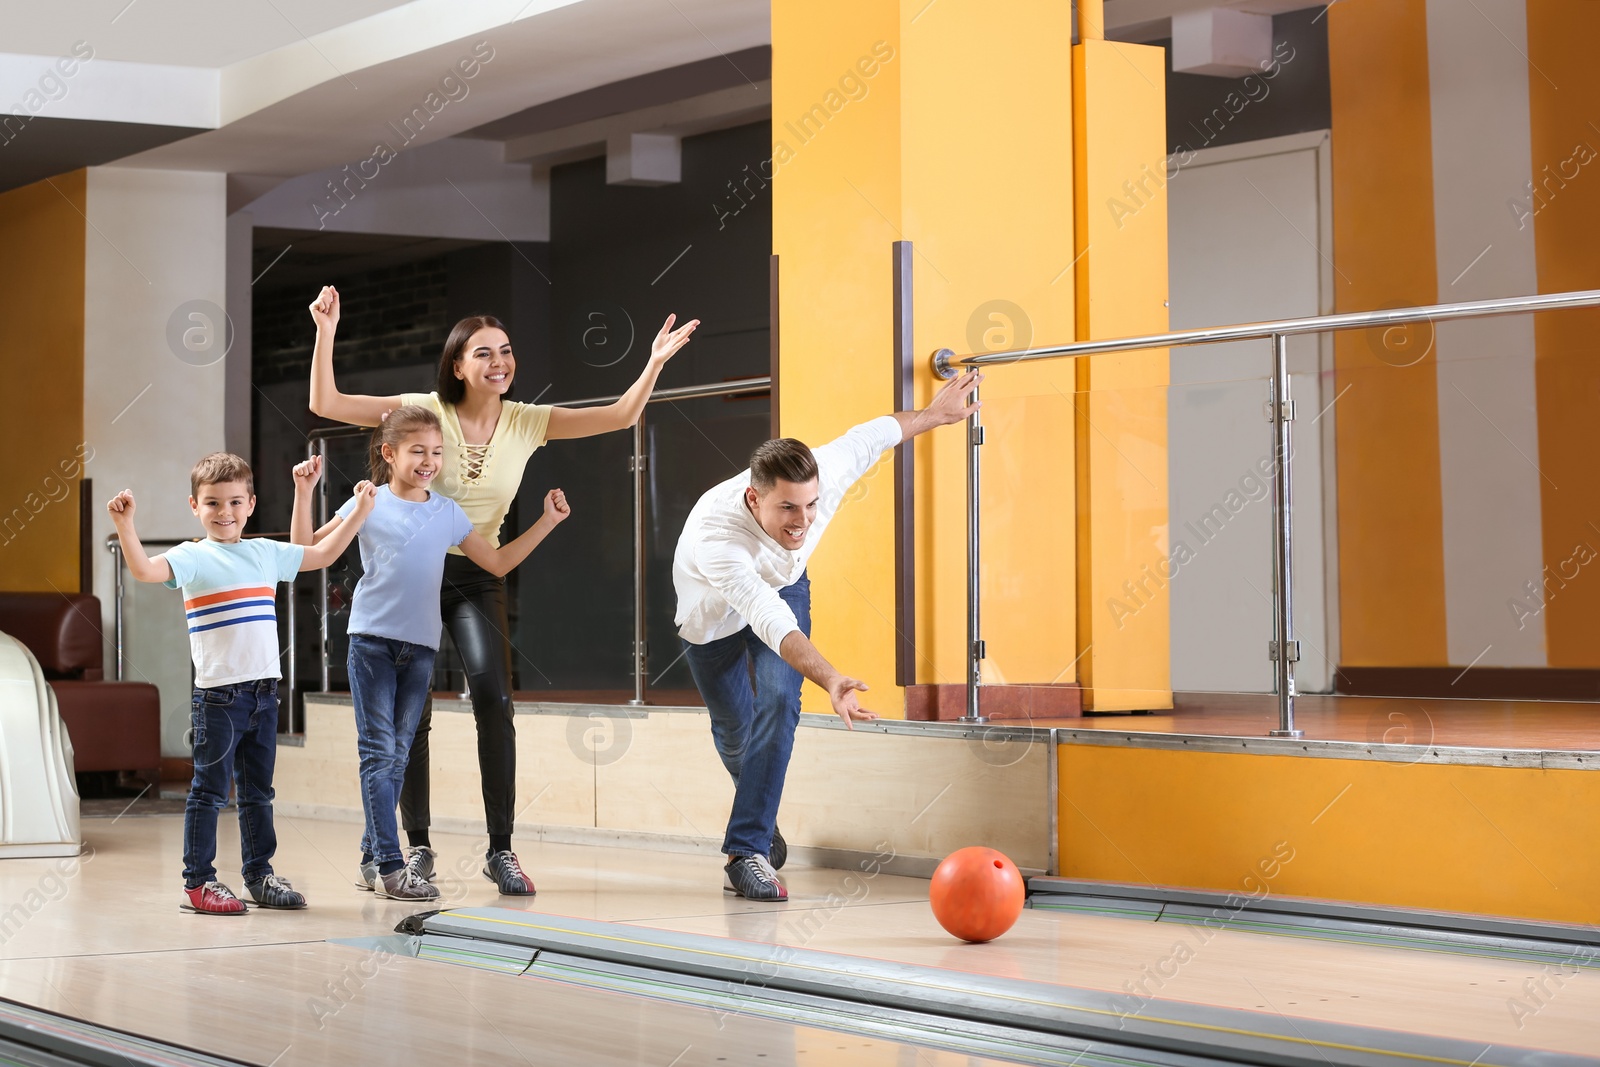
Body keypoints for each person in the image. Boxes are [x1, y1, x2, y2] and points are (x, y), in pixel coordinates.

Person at [306, 285, 697, 894]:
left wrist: (653, 363)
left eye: (506, 351)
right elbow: (327, 402)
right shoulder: (422, 409)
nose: (499, 363)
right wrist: (326, 331)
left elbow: (620, 416)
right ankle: (417, 848)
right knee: (414, 723)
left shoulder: (528, 421)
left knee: (494, 698)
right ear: (457, 365)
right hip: (412, 572)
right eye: (483, 353)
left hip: (476, 572)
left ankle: (500, 849)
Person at [674, 370, 983, 901]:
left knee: (780, 703)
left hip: (784, 590)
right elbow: (767, 619)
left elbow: (880, 431)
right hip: (715, 616)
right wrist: (831, 676)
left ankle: (745, 850)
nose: (803, 521)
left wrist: (936, 414)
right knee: (733, 732)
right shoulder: (718, 540)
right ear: (754, 500)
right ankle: (761, 821)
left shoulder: (826, 472)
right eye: (788, 508)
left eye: (810, 505)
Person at [290, 407, 571, 900]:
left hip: (419, 650)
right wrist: (303, 493)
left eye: (437, 452)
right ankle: (392, 868)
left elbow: (498, 562)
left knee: (395, 757)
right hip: (371, 644)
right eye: (418, 451)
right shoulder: (368, 500)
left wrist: (548, 522)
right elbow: (304, 553)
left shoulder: (446, 512)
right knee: (380, 754)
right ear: (389, 453)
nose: (429, 461)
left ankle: (369, 854)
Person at [106, 453, 376, 915]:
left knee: (258, 792)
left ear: (250, 504)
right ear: (195, 505)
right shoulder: (192, 556)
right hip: (218, 698)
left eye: (234, 501)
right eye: (212, 503)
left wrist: (360, 511)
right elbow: (145, 572)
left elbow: (323, 553)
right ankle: (199, 882)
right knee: (209, 792)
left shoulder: (264, 552)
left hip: (264, 695)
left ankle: (259, 874)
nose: (224, 512)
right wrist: (126, 525)